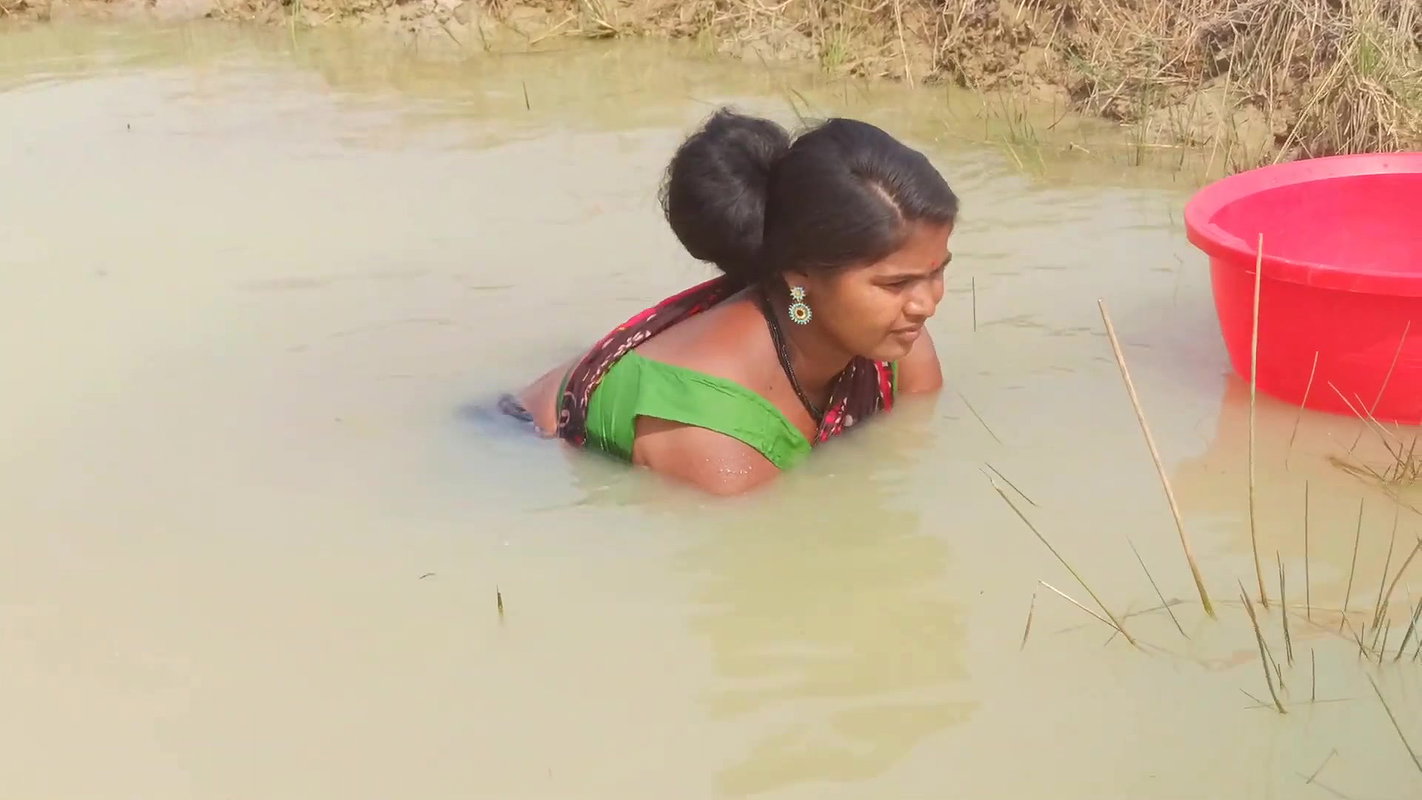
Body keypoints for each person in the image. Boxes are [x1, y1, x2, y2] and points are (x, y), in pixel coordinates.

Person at [505, 108, 959, 495]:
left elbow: (906, 444)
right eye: (896, 283)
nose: (926, 303)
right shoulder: (713, 436)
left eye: (936, 271)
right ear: (800, 274)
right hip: (517, 452)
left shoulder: (891, 336)